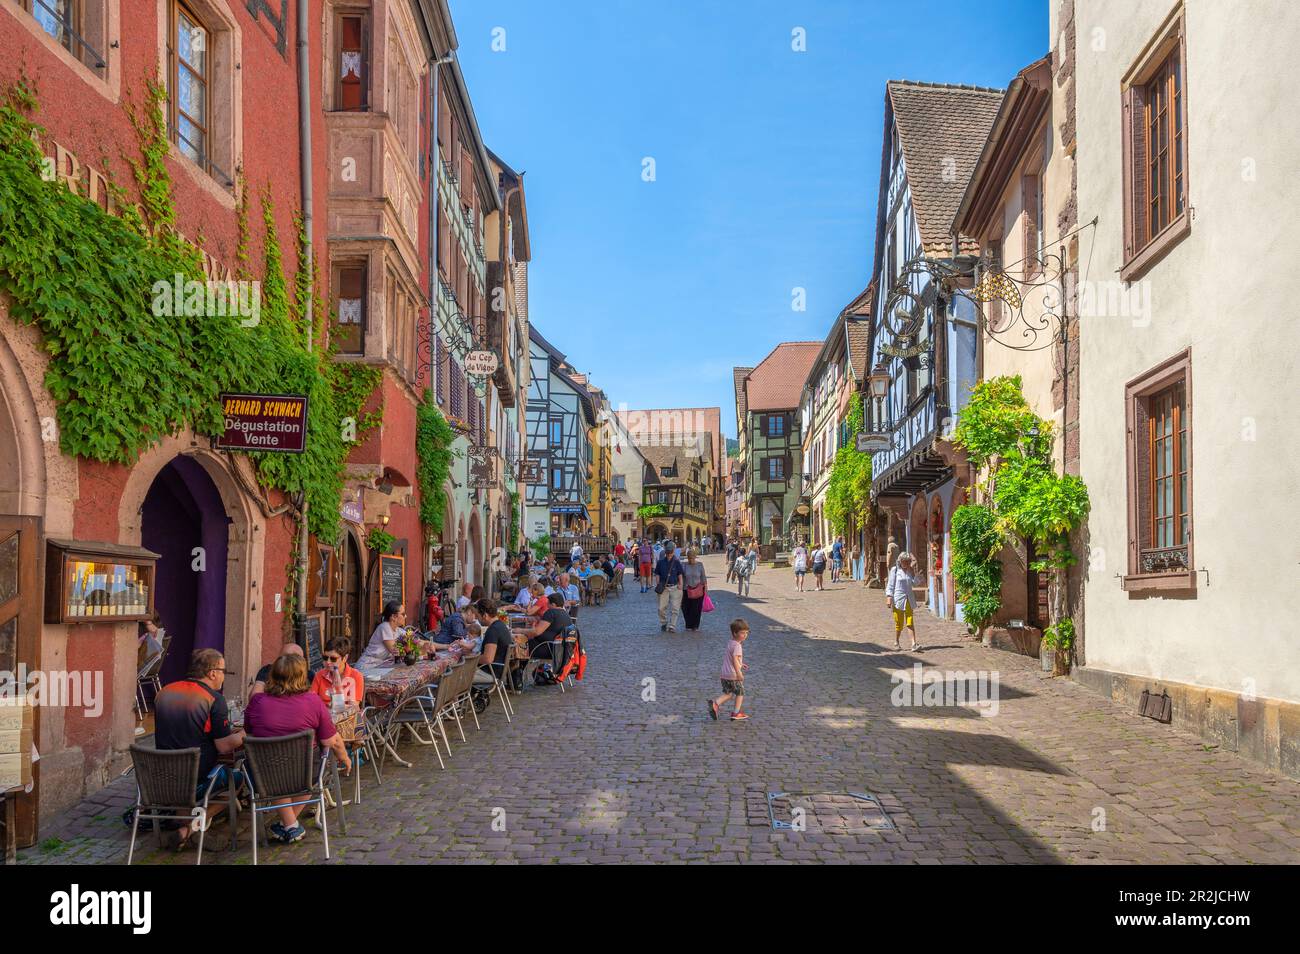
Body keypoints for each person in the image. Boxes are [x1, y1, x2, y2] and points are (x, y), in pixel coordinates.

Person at [243, 653, 351, 844]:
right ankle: (291, 825)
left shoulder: (257, 702)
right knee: (315, 761)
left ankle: (289, 825)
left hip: (266, 774)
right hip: (304, 772)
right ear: (303, 676)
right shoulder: (312, 701)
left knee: (274, 765)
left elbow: (249, 731)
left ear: (272, 675)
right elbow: (329, 741)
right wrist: (345, 758)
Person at [152, 648, 245, 849]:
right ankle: (190, 828)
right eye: (223, 671)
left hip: (159, 780)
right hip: (196, 780)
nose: (223, 676)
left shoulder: (164, 692)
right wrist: (244, 734)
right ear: (212, 673)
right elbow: (224, 746)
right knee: (236, 779)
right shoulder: (212, 699)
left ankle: (180, 818)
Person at [358, 601, 424, 669]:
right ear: (393, 617)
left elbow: (417, 641)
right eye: (403, 614)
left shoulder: (398, 630)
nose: (406, 616)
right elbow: (395, 651)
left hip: (380, 667)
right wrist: (412, 648)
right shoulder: (384, 627)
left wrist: (430, 645)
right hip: (368, 666)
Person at [708, 618, 749, 722]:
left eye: (746, 633)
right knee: (740, 692)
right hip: (733, 674)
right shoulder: (738, 646)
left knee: (729, 693)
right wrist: (739, 673)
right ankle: (736, 713)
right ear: (735, 633)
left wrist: (741, 664)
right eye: (742, 633)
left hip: (725, 674)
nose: (745, 635)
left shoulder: (731, 643)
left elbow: (733, 658)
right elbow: (735, 659)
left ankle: (715, 703)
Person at [474, 597, 516, 689]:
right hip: (497, 670)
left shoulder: (493, 630)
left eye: (478, 616)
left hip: (490, 673)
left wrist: (469, 657)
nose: (477, 619)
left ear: (484, 615)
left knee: (456, 674)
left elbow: (488, 659)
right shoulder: (501, 626)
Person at [311, 638, 365, 708]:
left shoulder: (355, 676)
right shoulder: (319, 675)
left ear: (345, 658)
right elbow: (311, 701)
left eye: (333, 659)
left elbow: (353, 708)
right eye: (325, 657)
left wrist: (337, 692)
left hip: (346, 717)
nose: (328, 662)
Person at [524, 592, 572, 671]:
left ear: (553, 604)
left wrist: (520, 630)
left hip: (547, 648)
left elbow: (537, 632)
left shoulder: (551, 612)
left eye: (548, 604)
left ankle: (517, 676)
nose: (546, 606)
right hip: (562, 650)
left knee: (520, 646)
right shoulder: (566, 615)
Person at [887, 551, 922, 652]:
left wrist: (915, 574)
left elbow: (915, 584)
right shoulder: (895, 570)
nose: (906, 563)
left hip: (909, 599)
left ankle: (914, 644)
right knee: (899, 623)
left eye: (908, 561)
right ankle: (896, 641)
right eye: (905, 561)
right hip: (898, 600)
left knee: (910, 621)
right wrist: (889, 597)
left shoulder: (909, 571)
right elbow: (890, 584)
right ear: (900, 561)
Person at [654, 541, 685, 633]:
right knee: (661, 608)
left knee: (675, 608)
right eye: (668, 552)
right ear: (665, 552)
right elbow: (657, 574)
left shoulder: (676, 562)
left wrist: (681, 584)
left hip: (675, 587)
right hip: (664, 588)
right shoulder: (660, 562)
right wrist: (658, 584)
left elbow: (680, 574)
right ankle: (663, 622)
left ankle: (672, 626)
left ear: (673, 551)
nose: (669, 554)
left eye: (671, 552)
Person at [680, 548, 708, 631]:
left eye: (692, 558)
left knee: (696, 608)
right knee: (685, 607)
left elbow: (703, 577)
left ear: (695, 557)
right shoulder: (684, 565)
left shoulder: (700, 565)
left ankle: (695, 625)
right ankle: (688, 624)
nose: (690, 560)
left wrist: (705, 589)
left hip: (698, 589)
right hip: (686, 589)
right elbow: (681, 577)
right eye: (689, 558)